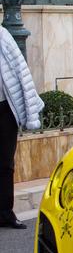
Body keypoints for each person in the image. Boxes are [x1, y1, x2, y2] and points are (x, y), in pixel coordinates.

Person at [0, 26, 43, 229]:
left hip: (4, 110)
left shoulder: (3, 35)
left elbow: (22, 72)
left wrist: (30, 109)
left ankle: (5, 213)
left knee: (5, 163)